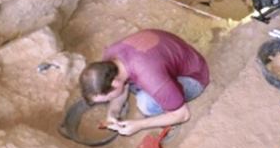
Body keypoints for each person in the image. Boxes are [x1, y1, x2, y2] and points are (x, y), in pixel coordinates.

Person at [79, 29, 209, 136]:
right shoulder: (110, 58)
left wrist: (139, 125)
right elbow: (122, 86)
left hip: (194, 75)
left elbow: (183, 114)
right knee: (136, 88)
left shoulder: (151, 77)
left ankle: (168, 106)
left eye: (108, 98)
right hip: (167, 56)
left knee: (146, 104)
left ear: (115, 83)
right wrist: (113, 112)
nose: (109, 100)